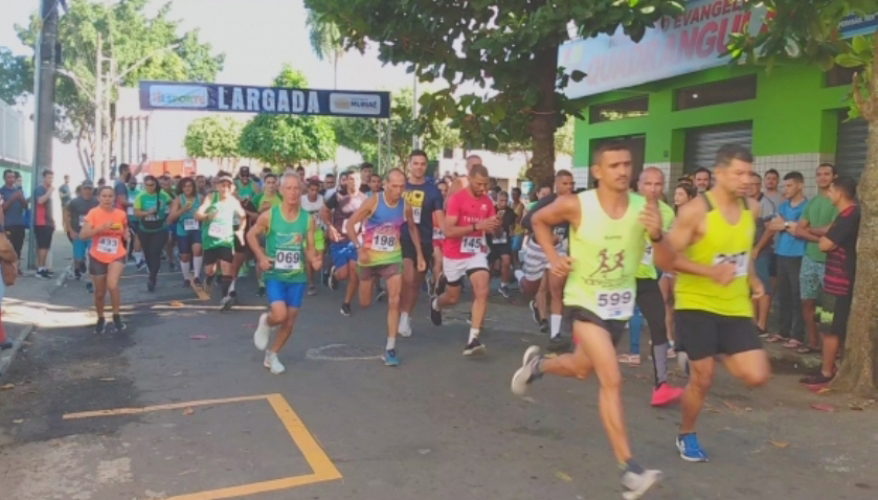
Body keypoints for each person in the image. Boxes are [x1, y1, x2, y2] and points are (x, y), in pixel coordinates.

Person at [510, 142, 674, 499]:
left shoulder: (644, 209)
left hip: (619, 308)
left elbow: (667, 260)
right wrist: (553, 255)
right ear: (597, 171)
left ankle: (539, 366)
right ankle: (629, 470)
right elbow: (536, 220)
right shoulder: (576, 204)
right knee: (610, 377)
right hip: (583, 304)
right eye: (613, 165)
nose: (622, 171)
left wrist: (658, 233)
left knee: (581, 368)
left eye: (627, 164)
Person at [667, 144, 770, 462]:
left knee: (756, 375)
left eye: (749, 173)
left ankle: (704, 351)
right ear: (719, 173)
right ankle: (686, 434)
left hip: (735, 304)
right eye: (738, 173)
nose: (745, 179)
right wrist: (709, 271)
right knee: (704, 377)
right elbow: (668, 258)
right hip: (696, 302)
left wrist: (753, 279)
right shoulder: (695, 212)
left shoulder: (752, 209)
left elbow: (741, 254)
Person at [620, 167, 684, 407]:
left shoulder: (667, 213)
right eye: (649, 184)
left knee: (658, 323)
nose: (654, 189)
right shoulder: (625, 205)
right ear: (639, 185)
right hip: (619, 276)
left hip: (646, 277)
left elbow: (668, 244)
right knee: (606, 323)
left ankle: (661, 385)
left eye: (659, 184)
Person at [346, 169, 424, 365]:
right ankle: (371, 283)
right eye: (395, 186)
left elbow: (413, 228)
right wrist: (358, 248)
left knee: (394, 301)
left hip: (392, 257)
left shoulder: (405, 205)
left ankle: (390, 348)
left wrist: (420, 254)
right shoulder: (374, 201)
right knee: (364, 303)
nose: (398, 190)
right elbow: (350, 225)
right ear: (386, 185)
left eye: (402, 186)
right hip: (369, 258)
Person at [249, 172, 322, 374]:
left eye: (296, 188)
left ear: (301, 191)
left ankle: (272, 355)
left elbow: (309, 247)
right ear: (281, 191)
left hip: (297, 277)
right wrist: (261, 256)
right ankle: (266, 321)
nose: (292, 192)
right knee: (279, 315)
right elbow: (250, 235)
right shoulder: (270, 215)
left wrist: (314, 258)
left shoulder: (307, 219)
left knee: (290, 320)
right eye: (288, 188)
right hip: (275, 275)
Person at [430, 164, 497, 356]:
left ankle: (473, 339)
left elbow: (491, 226)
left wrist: (494, 225)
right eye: (479, 184)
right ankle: (436, 303)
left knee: (482, 290)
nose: (483, 189)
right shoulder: (456, 200)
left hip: (476, 253)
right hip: (454, 254)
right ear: (470, 179)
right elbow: (448, 231)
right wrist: (477, 226)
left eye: (486, 185)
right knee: (452, 297)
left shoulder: (487, 201)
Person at [801, 176, 859, 385]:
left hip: (840, 281)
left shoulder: (849, 216)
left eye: (831, 191)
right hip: (832, 279)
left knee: (831, 327)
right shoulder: (845, 215)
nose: (828, 194)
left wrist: (819, 238)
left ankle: (827, 371)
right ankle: (828, 365)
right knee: (825, 322)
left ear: (840, 194)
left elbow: (825, 245)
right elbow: (827, 240)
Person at [515, 171, 575, 348]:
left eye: (571, 184)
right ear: (556, 185)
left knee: (557, 290)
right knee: (531, 287)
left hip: (557, 250)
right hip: (537, 248)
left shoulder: (575, 203)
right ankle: (519, 275)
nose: (569, 187)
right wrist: (545, 234)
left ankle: (555, 335)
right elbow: (526, 221)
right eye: (565, 184)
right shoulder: (548, 201)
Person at [398, 150, 445, 337]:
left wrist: (452, 233)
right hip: (401, 238)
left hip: (424, 239)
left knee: (415, 283)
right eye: (415, 163)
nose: (419, 167)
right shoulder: (400, 187)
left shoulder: (433, 191)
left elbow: (441, 220)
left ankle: (405, 316)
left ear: (426, 166)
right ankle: (399, 311)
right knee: (407, 278)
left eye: (422, 164)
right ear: (409, 164)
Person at [793, 163, 838, 354]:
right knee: (807, 301)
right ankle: (812, 342)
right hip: (809, 259)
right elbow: (797, 229)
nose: (822, 178)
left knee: (829, 307)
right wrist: (820, 238)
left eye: (826, 174)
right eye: (819, 174)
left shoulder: (838, 201)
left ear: (834, 177)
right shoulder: (812, 202)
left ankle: (830, 348)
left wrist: (810, 231)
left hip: (831, 261)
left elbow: (834, 229)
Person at [80, 186, 129, 334]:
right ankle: (101, 317)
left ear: (114, 198)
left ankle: (116, 316)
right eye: (104, 196)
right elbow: (83, 235)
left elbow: (124, 229)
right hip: (97, 255)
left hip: (117, 253)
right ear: (98, 198)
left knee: (112, 285)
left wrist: (126, 235)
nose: (107, 199)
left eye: (110, 196)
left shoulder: (120, 214)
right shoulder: (93, 213)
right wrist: (100, 229)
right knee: (99, 293)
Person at [196, 173, 246, 311]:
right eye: (222, 186)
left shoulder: (234, 201)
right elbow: (197, 214)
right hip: (210, 240)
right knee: (210, 269)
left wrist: (241, 230)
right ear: (217, 186)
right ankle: (208, 278)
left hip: (226, 239)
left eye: (228, 186)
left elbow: (243, 216)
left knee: (226, 268)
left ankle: (224, 298)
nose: (225, 189)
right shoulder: (211, 198)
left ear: (232, 188)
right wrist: (207, 216)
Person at [323, 169, 368, 316]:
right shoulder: (337, 196)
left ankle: (346, 303)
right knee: (343, 274)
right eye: (351, 179)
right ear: (346, 181)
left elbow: (368, 219)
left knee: (354, 273)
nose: (354, 182)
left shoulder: (365, 199)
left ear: (361, 181)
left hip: (355, 240)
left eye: (357, 179)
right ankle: (334, 275)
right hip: (340, 240)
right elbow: (323, 211)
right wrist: (330, 227)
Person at [133, 175, 173, 292]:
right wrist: (147, 213)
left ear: (156, 185)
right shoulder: (141, 196)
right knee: (148, 253)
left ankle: (152, 278)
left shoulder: (163, 195)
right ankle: (152, 272)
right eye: (147, 185)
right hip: (145, 229)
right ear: (144, 185)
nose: (150, 188)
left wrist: (169, 217)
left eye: (152, 185)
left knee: (155, 251)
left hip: (160, 228)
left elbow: (173, 204)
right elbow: (136, 212)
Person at [167, 177, 203, 287]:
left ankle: (196, 276)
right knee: (184, 256)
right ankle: (186, 278)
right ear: (181, 188)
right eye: (185, 186)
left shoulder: (200, 198)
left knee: (197, 250)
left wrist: (199, 215)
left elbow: (206, 212)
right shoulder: (178, 199)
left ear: (193, 187)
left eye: (190, 186)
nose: (187, 188)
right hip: (182, 228)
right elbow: (170, 218)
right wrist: (183, 210)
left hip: (196, 227)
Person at [65, 180, 99, 291]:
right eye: (86, 188)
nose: (88, 191)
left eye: (90, 188)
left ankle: (90, 279)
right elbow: (67, 215)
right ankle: (77, 268)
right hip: (78, 232)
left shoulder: (97, 201)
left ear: (93, 189)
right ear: (81, 189)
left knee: (92, 256)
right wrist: (70, 230)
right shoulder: (74, 202)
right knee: (78, 257)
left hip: (92, 233)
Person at [116, 163, 145, 270]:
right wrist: (137, 205)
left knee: (124, 238)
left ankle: (123, 261)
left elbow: (134, 174)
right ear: (124, 171)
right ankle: (138, 260)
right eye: (128, 170)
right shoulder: (120, 185)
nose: (130, 173)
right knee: (136, 235)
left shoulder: (121, 183)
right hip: (122, 215)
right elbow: (122, 201)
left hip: (122, 215)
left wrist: (143, 160)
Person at [301, 177, 327, 296]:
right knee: (309, 259)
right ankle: (311, 283)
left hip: (319, 232)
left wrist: (327, 228)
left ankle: (322, 274)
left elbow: (325, 214)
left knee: (318, 261)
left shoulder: (321, 199)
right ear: (308, 189)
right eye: (312, 189)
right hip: (306, 232)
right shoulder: (302, 200)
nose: (314, 192)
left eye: (316, 190)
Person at [488, 191, 516, 298]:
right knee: (490, 265)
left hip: (504, 240)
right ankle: (486, 286)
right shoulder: (492, 210)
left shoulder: (510, 212)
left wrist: (511, 232)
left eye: (505, 201)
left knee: (506, 261)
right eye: (501, 201)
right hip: (492, 240)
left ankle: (504, 285)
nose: (503, 203)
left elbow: (512, 225)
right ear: (497, 200)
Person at [1, 170, 28, 265]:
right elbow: (2, 207)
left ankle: (17, 268)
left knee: (18, 247)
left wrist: (21, 198)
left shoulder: (18, 191)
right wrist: (12, 198)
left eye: (13, 177)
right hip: (8, 224)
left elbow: (25, 206)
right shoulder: (2, 191)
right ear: (4, 178)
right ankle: (7, 269)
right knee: (9, 248)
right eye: (9, 177)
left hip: (19, 223)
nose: (11, 179)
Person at [33, 169, 56, 279]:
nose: (50, 180)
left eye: (52, 178)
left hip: (48, 222)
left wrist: (52, 221)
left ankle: (43, 267)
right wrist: (50, 191)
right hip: (41, 222)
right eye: (48, 177)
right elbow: (40, 201)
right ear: (43, 178)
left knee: (45, 246)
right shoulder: (40, 189)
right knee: (42, 246)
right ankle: (40, 269)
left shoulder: (46, 190)